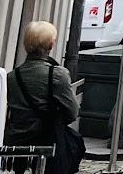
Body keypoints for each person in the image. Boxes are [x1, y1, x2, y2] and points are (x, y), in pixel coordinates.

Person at [6, 21, 81, 173]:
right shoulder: (57, 74)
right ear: (51, 45)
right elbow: (72, 112)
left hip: (17, 141)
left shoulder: (12, 76)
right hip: (47, 141)